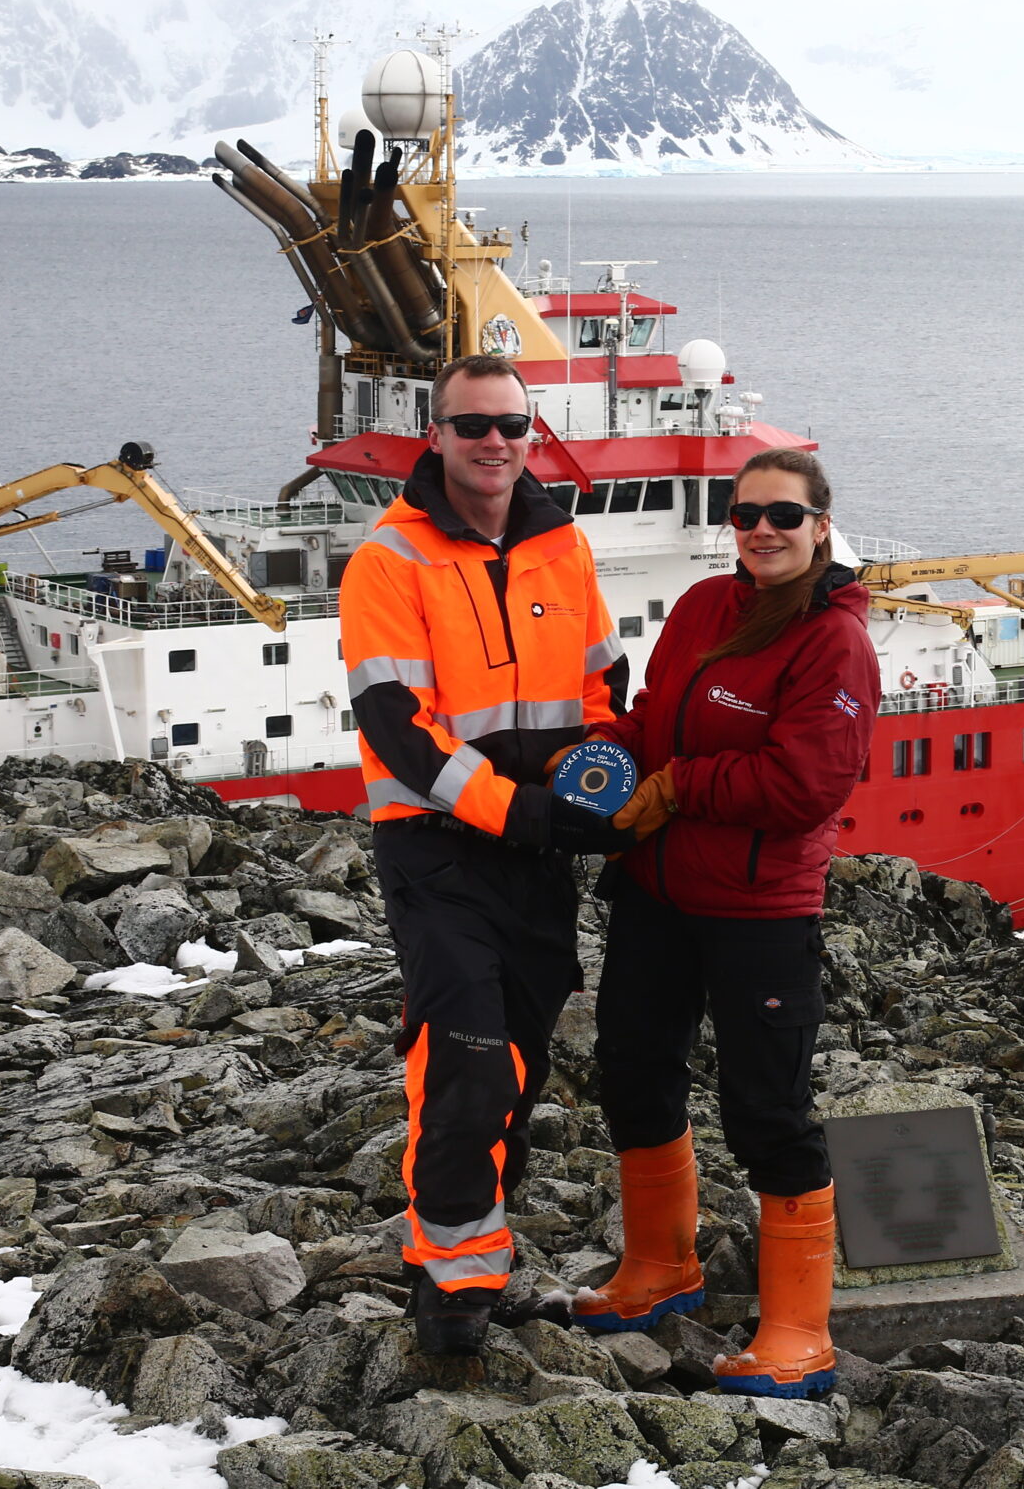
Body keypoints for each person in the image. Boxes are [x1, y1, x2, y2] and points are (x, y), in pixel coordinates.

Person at [338, 351, 634, 1356]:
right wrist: (524, 812)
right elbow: (396, 726)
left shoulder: (564, 548)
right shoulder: (392, 557)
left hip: (535, 857)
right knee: (463, 1059)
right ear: (438, 436)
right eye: (473, 426)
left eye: (511, 424)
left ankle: (478, 1248)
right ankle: (451, 1290)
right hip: (435, 849)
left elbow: (602, 688)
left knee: (519, 1062)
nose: (495, 442)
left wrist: (603, 778)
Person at [570, 446, 880, 1400]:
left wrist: (677, 785)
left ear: (822, 526)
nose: (762, 531)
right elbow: (661, 714)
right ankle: (660, 1267)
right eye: (746, 514)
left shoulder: (835, 643)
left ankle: (798, 1329)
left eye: (784, 516)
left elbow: (804, 785)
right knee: (632, 1067)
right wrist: (606, 755)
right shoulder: (708, 604)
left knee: (767, 1106)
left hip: (759, 913)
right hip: (659, 893)